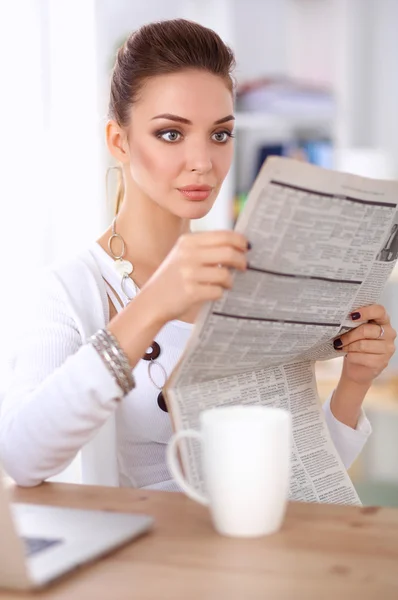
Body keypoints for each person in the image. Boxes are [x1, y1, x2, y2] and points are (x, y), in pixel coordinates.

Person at [0, 19, 396, 492]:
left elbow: (298, 476)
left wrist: (354, 382)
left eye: (220, 135)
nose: (203, 162)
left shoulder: (247, 270)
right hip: (156, 560)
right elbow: (23, 458)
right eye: (171, 134)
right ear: (118, 141)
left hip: (266, 548)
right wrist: (153, 304)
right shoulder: (68, 289)